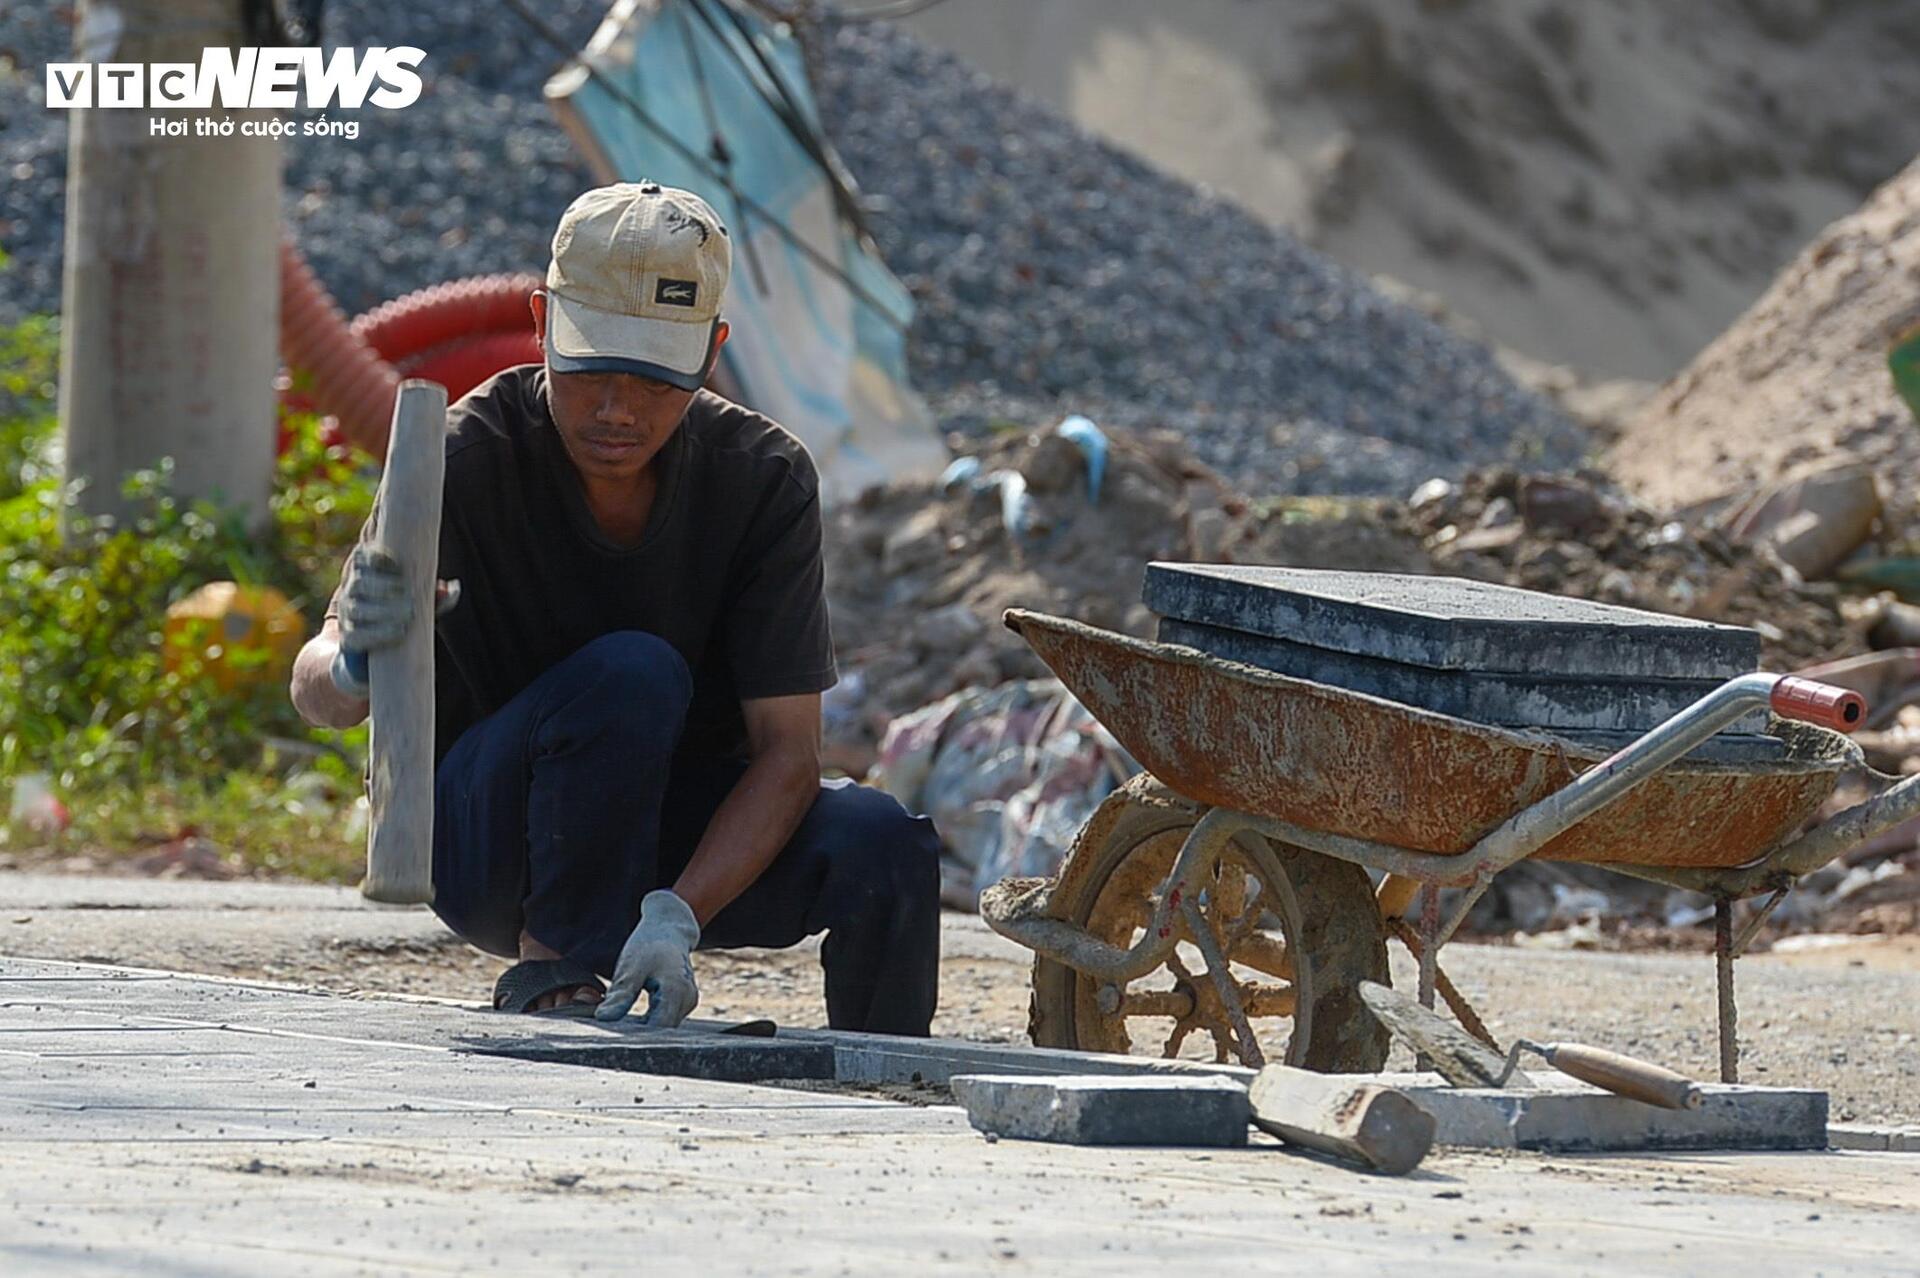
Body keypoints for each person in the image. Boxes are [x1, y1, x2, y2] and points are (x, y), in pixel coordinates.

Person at [289, 182, 941, 1034]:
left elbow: (786, 753)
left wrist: (679, 913)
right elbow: (320, 694)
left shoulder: (763, 479)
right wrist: (353, 659)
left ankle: (888, 1067)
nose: (617, 409)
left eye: (654, 378)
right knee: (632, 672)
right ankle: (553, 966)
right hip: (496, 842)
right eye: (592, 366)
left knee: (882, 841)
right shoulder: (466, 456)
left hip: (663, 839)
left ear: (712, 353)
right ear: (541, 323)